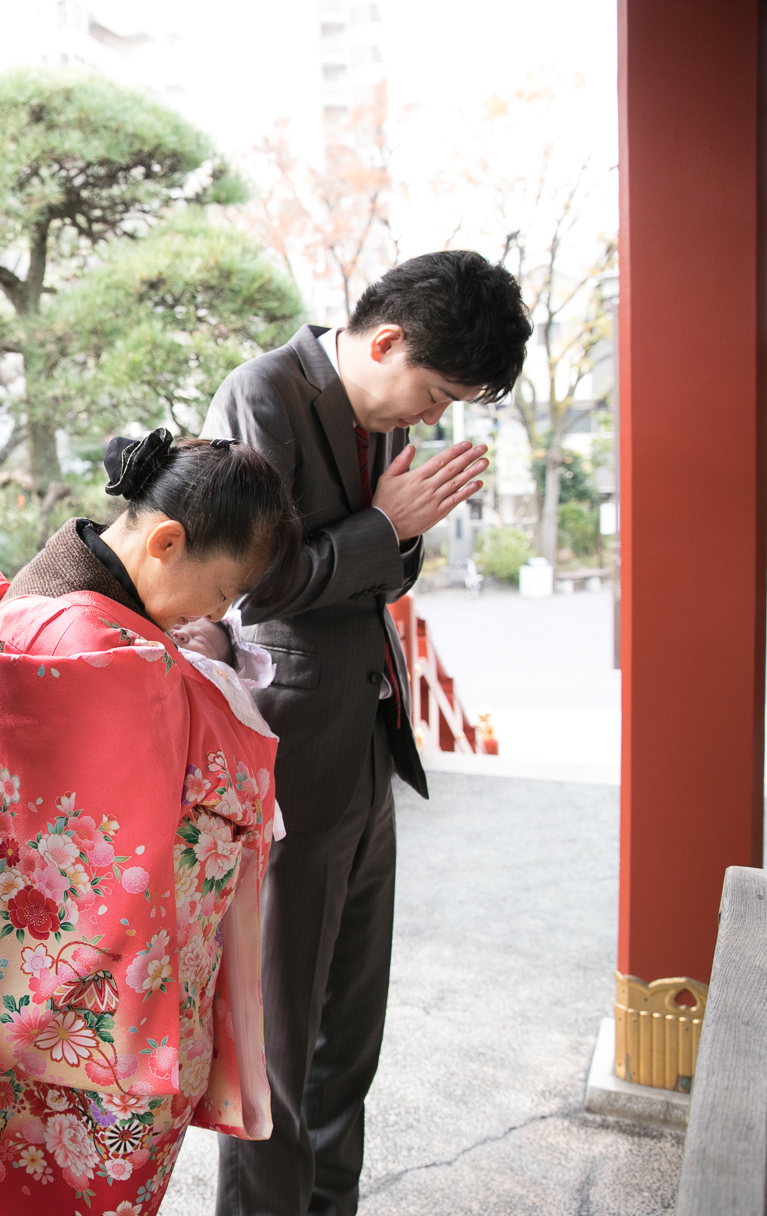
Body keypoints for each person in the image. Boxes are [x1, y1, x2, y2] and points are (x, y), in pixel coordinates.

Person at [201, 249, 529, 1216]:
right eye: (434, 394)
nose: (431, 418)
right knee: (278, 1049)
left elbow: (381, 572)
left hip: (365, 745)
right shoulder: (262, 394)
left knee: (352, 1035)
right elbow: (249, 584)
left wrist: (399, 536)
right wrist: (387, 528)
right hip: (289, 752)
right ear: (384, 342)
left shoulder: (378, 418)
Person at [0, 429, 301, 1215]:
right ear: (168, 542)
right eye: (223, 591)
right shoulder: (125, 662)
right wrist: (220, 677)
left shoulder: (19, 608)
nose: (217, 613)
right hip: (112, 1038)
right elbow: (239, 794)